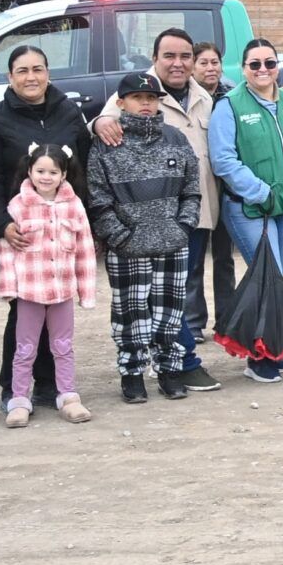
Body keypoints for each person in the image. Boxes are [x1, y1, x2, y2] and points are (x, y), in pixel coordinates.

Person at [93, 28, 219, 388]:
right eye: (169, 56)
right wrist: (97, 122)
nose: (178, 63)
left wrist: (186, 219)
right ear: (155, 58)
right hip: (137, 223)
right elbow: (103, 124)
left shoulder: (204, 97)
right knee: (142, 297)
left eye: (185, 56)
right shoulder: (138, 94)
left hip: (189, 214)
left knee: (178, 289)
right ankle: (181, 363)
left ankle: (172, 359)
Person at [0, 42, 92, 406]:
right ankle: (15, 387)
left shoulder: (68, 112)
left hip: (60, 229)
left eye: (38, 69)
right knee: (25, 312)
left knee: (57, 306)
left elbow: (85, 169)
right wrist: (0, 225)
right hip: (20, 232)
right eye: (23, 70)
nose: (32, 77)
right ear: (10, 77)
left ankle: (50, 383)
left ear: (48, 73)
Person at [206, 38, 283, 382]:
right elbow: (224, 159)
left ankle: (272, 349)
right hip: (251, 210)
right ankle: (257, 357)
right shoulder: (230, 106)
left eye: (269, 63)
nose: (262, 70)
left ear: (278, 66)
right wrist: (259, 192)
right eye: (254, 64)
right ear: (243, 69)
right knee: (266, 277)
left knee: (277, 278)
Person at [86, 71, 202, 404]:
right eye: (139, 98)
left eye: (152, 98)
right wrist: (119, 236)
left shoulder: (176, 139)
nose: (146, 104)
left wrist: (183, 226)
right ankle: (133, 373)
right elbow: (98, 196)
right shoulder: (107, 142)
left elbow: (192, 188)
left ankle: (168, 370)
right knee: (130, 312)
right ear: (122, 103)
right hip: (128, 247)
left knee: (170, 312)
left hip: (172, 241)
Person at [0, 143, 98, 425]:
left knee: (63, 345)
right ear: (29, 171)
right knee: (24, 347)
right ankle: (18, 398)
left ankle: (67, 395)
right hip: (29, 291)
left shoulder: (74, 205)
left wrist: (85, 292)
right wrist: (9, 288)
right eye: (40, 170)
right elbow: (5, 249)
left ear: (64, 174)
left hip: (62, 291)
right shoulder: (17, 206)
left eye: (53, 171)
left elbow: (85, 248)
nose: (46, 177)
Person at [190, 40, 237, 312]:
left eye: (215, 62)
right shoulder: (187, 95)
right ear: (193, 67)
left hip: (226, 184)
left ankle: (227, 316)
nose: (210, 68)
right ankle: (194, 319)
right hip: (197, 185)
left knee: (224, 254)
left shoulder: (232, 94)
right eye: (203, 63)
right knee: (194, 257)